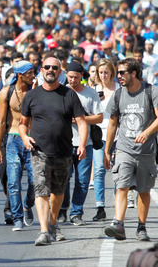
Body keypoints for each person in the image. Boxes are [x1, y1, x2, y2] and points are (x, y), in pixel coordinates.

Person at [19, 56, 88, 246]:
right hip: (39, 151)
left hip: (64, 151)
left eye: (54, 67)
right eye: (47, 67)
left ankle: (53, 222)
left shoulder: (69, 94)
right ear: (41, 70)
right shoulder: (32, 95)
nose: (50, 70)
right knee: (41, 190)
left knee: (57, 192)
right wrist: (25, 137)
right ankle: (43, 231)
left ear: (60, 71)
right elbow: (22, 124)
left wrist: (82, 144)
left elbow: (82, 122)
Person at [104, 58, 158, 242]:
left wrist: (147, 132)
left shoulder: (151, 91)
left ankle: (141, 227)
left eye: (121, 73)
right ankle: (118, 224)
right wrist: (107, 149)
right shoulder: (119, 95)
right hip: (124, 149)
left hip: (146, 151)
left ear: (133, 73)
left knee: (143, 191)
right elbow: (112, 123)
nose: (117, 76)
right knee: (122, 186)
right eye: (117, 73)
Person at [0, 61, 36, 231]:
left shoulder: (35, 91)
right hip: (12, 138)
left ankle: (27, 204)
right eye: (30, 73)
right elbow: (1, 121)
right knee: (13, 181)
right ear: (20, 75)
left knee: (35, 180)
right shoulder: (6, 92)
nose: (34, 76)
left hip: (33, 139)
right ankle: (18, 217)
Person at [59, 61, 103, 226]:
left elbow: (99, 117)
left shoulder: (90, 93)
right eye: (70, 77)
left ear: (81, 77)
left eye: (76, 77)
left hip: (86, 143)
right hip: (64, 142)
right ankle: (62, 209)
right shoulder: (61, 92)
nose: (72, 80)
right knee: (63, 178)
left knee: (82, 180)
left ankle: (76, 212)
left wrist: (79, 119)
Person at [92, 58, 119, 221]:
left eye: (106, 72)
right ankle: (100, 207)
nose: (103, 76)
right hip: (98, 135)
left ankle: (118, 203)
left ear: (112, 73)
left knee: (117, 171)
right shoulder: (93, 90)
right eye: (100, 73)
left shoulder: (118, 89)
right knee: (99, 169)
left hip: (117, 133)